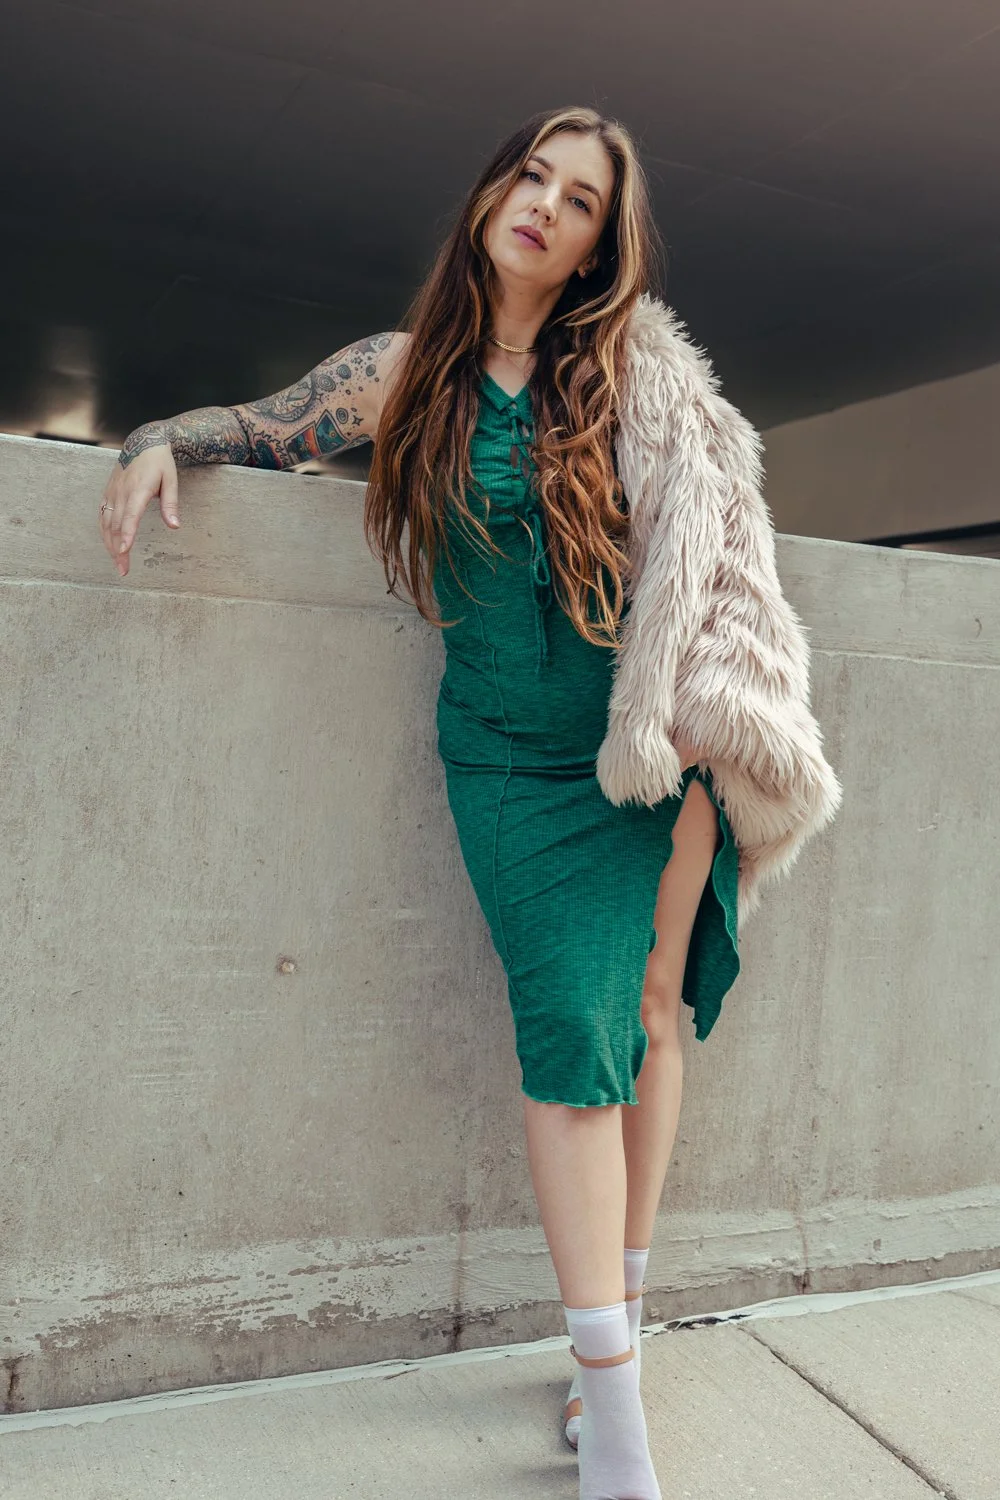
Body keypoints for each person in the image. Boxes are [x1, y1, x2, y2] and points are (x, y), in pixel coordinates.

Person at [99, 104, 841, 1500]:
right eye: (533, 175)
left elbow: (712, 545)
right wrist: (155, 435)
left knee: (654, 1018)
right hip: (505, 761)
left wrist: (702, 723)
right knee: (572, 1045)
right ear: (498, 190)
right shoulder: (403, 376)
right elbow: (259, 430)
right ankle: (619, 1425)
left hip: (642, 758)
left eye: (578, 200)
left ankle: (608, 1354)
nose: (544, 206)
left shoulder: (627, 383)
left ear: (593, 251)